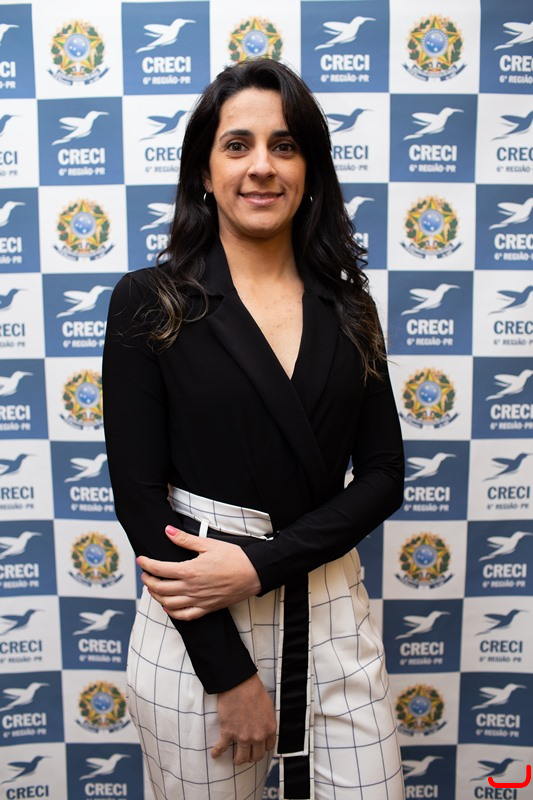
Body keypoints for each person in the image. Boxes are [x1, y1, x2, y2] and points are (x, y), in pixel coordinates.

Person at [103, 58, 405, 800]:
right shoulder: (150, 301)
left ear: (310, 171)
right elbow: (140, 502)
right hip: (200, 630)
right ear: (204, 173)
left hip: (331, 610)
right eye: (237, 145)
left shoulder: (349, 306)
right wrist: (228, 675)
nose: (262, 166)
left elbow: (382, 476)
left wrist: (260, 565)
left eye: (285, 146)